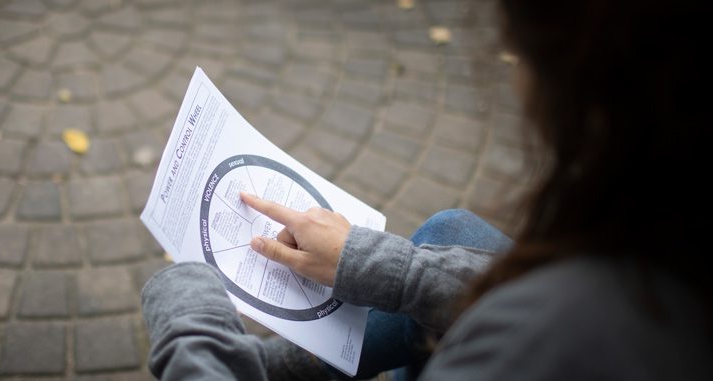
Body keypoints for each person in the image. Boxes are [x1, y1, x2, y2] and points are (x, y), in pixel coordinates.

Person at [141, 0, 711, 379]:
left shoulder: (536, 345)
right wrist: (375, 263)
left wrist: (189, 314)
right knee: (451, 234)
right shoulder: (662, 253)